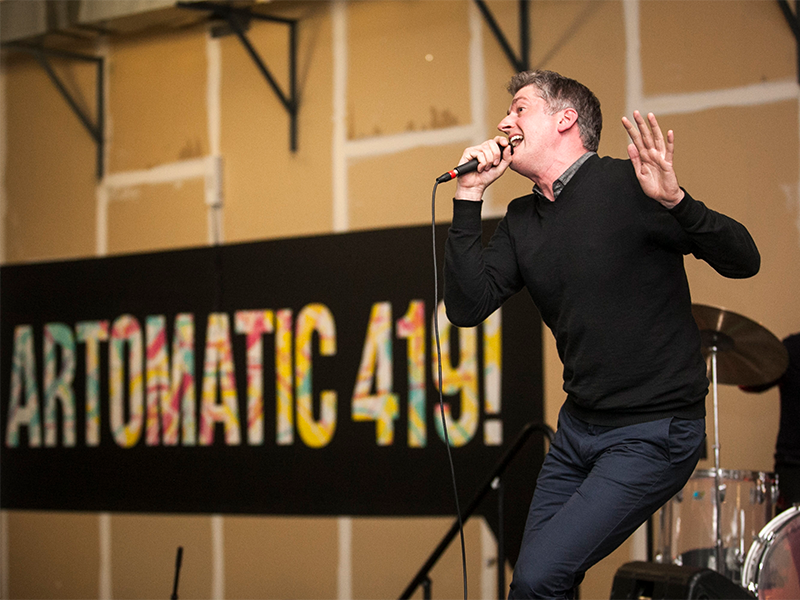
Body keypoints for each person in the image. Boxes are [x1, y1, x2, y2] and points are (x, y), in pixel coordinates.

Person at [443, 70, 760, 599]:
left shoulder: (631, 185)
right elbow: (466, 306)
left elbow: (744, 259)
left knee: (540, 576)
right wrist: (469, 195)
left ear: (565, 119)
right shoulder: (522, 219)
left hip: (655, 431)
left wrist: (677, 201)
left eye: (520, 109)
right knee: (534, 585)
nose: (503, 122)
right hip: (578, 431)